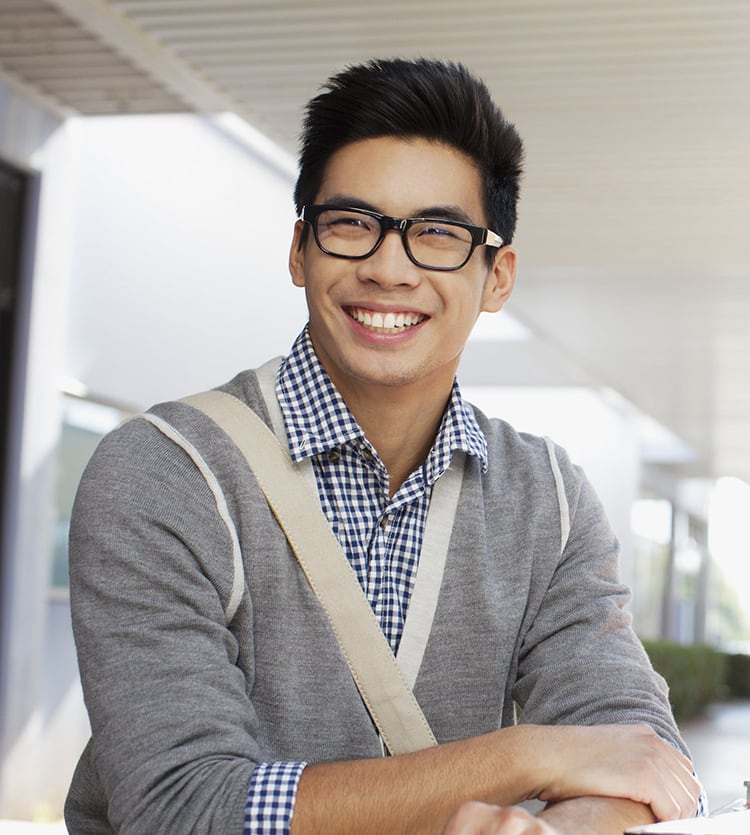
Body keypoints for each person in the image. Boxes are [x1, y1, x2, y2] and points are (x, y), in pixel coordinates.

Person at [64, 58, 702, 835]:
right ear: (300, 249)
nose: (388, 268)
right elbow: (181, 808)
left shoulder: (548, 498)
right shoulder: (164, 473)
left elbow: (640, 753)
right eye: (352, 223)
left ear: (496, 276)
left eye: (436, 232)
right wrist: (520, 758)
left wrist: (558, 828)